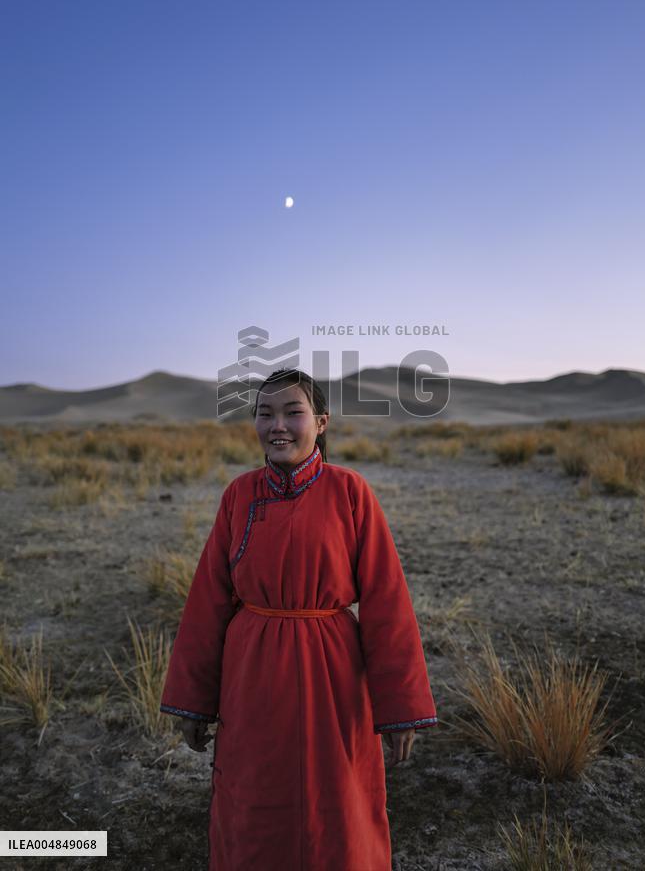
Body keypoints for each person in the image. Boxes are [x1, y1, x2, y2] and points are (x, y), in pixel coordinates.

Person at [160, 367, 438, 871]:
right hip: (252, 677)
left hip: (333, 674)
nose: (278, 426)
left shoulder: (351, 492)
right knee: (253, 796)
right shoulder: (238, 496)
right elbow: (207, 603)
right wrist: (194, 702)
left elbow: (386, 604)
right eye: (265, 414)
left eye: (294, 412)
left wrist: (400, 707)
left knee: (337, 801)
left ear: (322, 422)